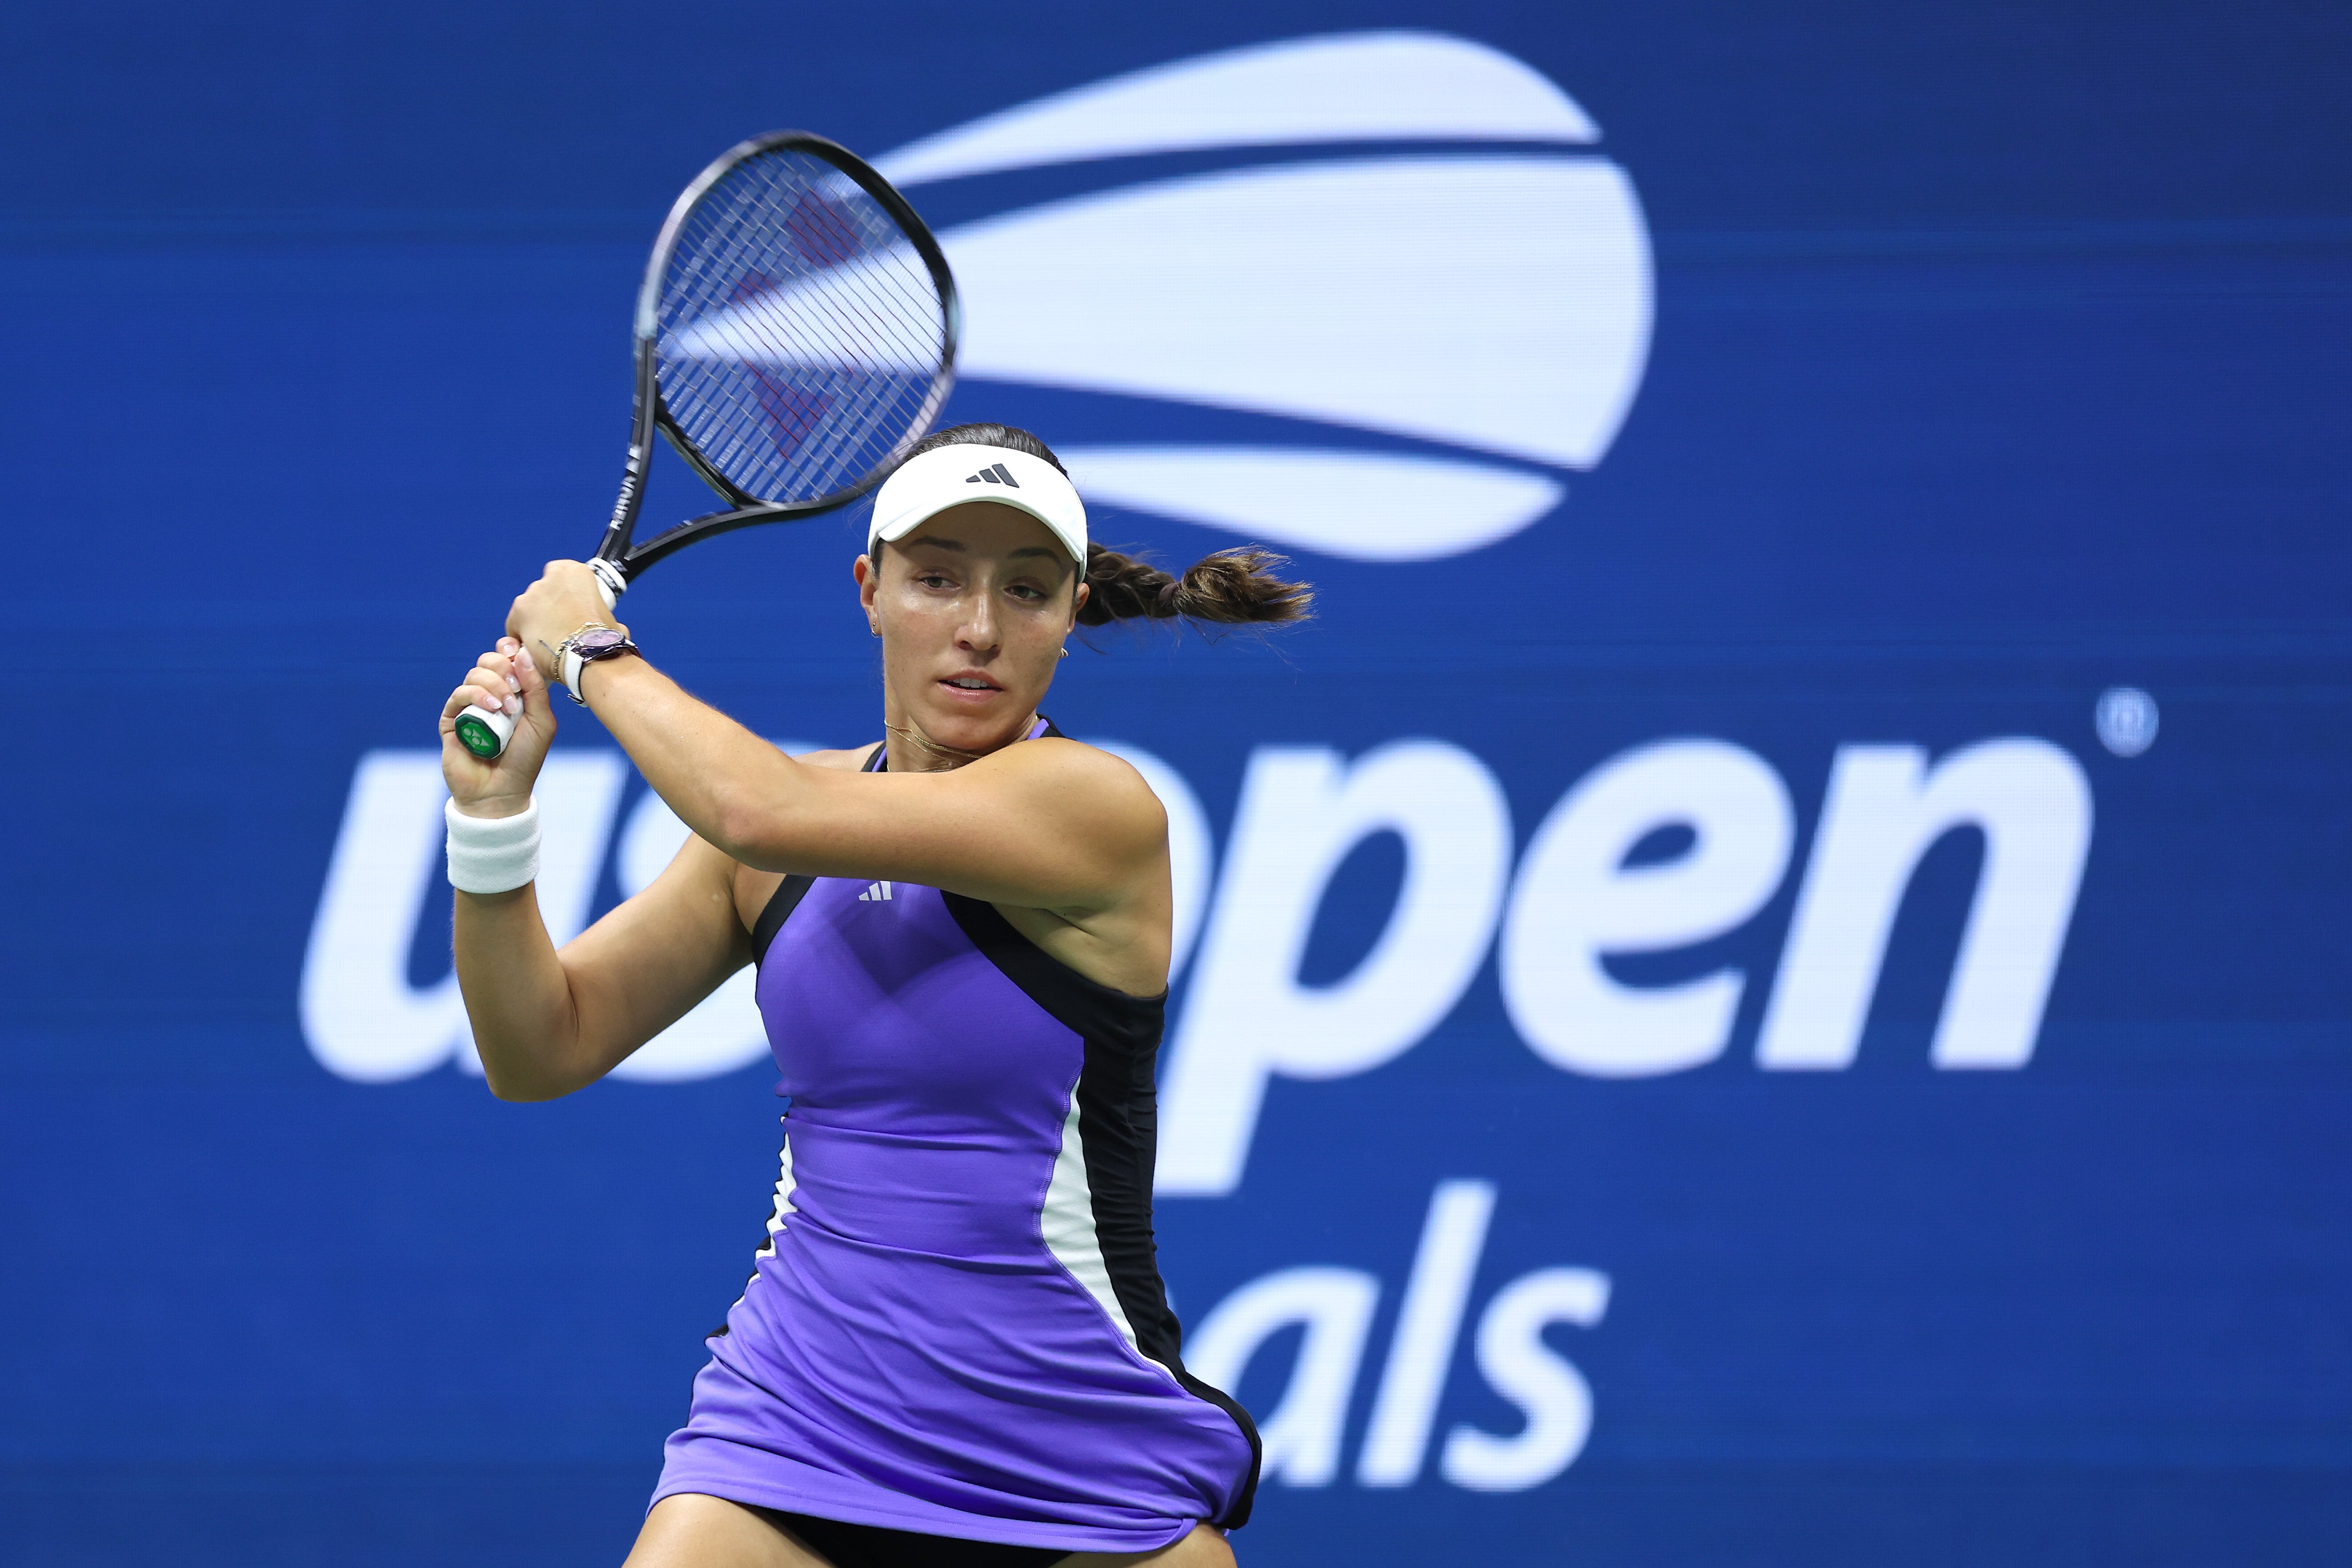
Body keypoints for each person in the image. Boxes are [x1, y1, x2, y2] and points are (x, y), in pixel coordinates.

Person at [437, 424, 1312, 1568]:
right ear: (871, 588)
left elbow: (753, 807)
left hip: (1081, 1455)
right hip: (794, 1426)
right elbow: (540, 1046)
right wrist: (490, 820)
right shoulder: (770, 833)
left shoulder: (1093, 809)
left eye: (1026, 590)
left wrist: (589, 650)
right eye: (937, 577)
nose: (980, 628)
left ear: (1067, 616)